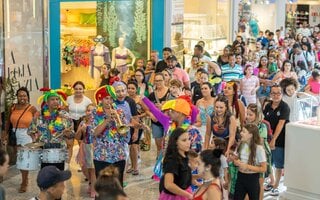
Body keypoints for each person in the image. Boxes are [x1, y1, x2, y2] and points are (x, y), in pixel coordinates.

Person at [92, 85, 130, 187]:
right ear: (101, 99)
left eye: (111, 98)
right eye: (106, 98)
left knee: (118, 186)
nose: (109, 101)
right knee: (102, 187)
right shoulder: (95, 113)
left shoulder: (119, 112)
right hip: (102, 155)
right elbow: (94, 133)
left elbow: (125, 132)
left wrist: (119, 122)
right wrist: (107, 120)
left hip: (118, 154)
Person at [30, 88, 73, 171]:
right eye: (52, 99)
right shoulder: (39, 115)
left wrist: (68, 134)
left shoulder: (65, 116)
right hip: (44, 151)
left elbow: (71, 134)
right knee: (46, 179)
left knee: (59, 179)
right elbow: (31, 130)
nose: (56, 101)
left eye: (57, 99)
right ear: (47, 102)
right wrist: (35, 140)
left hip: (59, 151)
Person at [4, 87, 38, 193]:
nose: (22, 97)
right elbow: (8, 122)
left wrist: (35, 134)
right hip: (14, 134)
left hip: (26, 135)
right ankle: (25, 178)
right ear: (17, 97)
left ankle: (24, 182)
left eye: (24, 95)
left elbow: (37, 122)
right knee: (19, 158)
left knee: (23, 159)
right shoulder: (13, 107)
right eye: (20, 95)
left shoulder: (32, 108)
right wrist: (5, 133)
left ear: (27, 96)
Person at [263, 85, 290, 196]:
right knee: (269, 162)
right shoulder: (268, 106)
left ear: (282, 94)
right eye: (273, 93)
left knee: (278, 164)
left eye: (278, 93)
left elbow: (280, 124)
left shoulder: (284, 107)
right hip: (267, 139)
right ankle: (272, 181)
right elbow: (264, 122)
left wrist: (273, 139)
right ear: (270, 94)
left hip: (280, 140)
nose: (276, 95)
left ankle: (276, 186)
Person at [231, 124, 267, 200]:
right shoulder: (241, 144)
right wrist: (236, 161)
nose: (241, 133)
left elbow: (264, 168)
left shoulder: (259, 149)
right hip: (240, 176)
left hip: (252, 179)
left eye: (244, 132)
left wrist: (247, 166)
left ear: (250, 135)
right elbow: (237, 158)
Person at [246, 104, 272, 200]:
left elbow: (260, 142)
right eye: (247, 114)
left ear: (257, 115)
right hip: (250, 155)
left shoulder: (262, 126)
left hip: (261, 157)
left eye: (250, 115)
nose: (248, 117)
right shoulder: (247, 125)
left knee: (259, 184)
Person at [159, 128, 193, 200]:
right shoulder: (172, 160)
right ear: (175, 142)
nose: (188, 142)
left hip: (183, 193)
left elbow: (182, 177)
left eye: (189, 139)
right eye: (184, 140)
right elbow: (168, 185)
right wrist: (188, 195)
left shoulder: (184, 156)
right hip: (174, 197)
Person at [66, 81, 92, 164]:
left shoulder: (87, 100)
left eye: (80, 89)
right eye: (76, 89)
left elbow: (90, 112)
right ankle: (67, 165)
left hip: (82, 123)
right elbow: (66, 110)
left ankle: (83, 164)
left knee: (82, 145)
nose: (78, 91)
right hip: (70, 123)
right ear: (73, 89)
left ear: (83, 90)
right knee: (69, 145)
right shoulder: (69, 98)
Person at [75, 103, 96, 198]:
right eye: (88, 110)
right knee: (85, 168)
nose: (90, 112)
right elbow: (77, 137)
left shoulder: (98, 121)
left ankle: (93, 188)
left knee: (93, 169)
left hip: (95, 147)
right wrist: (81, 130)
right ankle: (91, 182)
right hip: (84, 147)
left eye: (92, 110)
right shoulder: (82, 123)